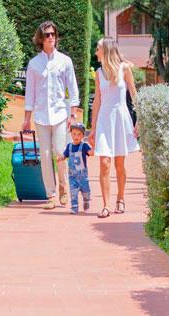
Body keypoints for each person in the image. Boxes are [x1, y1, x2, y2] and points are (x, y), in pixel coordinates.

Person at [22, 21, 80, 209]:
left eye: (53, 34)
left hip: (60, 114)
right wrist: (26, 119)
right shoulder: (34, 64)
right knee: (45, 155)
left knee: (60, 153)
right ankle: (51, 195)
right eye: (47, 35)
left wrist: (73, 114)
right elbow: (29, 93)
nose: (51, 37)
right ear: (41, 38)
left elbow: (73, 88)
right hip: (41, 116)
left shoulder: (65, 61)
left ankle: (63, 187)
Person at [89, 38, 140, 218]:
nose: (96, 52)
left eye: (98, 48)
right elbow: (97, 101)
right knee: (104, 163)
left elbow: (134, 94)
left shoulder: (124, 69)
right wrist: (93, 128)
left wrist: (139, 119)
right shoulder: (98, 73)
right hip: (104, 119)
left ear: (107, 50)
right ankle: (106, 205)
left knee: (119, 164)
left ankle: (121, 198)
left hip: (120, 118)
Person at [63, 122, 93, 214]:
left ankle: (86, 202)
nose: (76, 136)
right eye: (74, 134)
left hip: (83, 176)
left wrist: (93, 147)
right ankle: (74, 207)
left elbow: (90, 153)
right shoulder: (69, 146)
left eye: (79, 134)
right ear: (71, 134)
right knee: (73, 193)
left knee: (86, 192)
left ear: (83, 135)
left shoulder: (84, 146)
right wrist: (61, 158)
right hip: (72, 176)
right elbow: (65, 155)